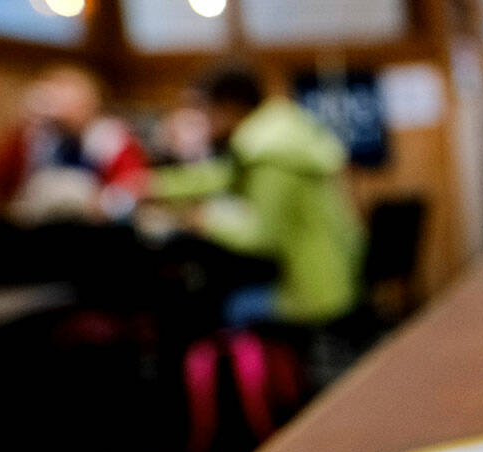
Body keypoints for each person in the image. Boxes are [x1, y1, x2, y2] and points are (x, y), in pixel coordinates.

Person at [152, 68, 365, 327]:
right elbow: (223, 176)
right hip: (337, 275)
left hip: (316, 289)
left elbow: (263, 237)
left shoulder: (271, 157)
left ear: (228, 108)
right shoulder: (279, 135)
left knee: (226, 306)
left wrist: (204, 219)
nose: (204, 122)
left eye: (207, 112)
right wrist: (155, 185)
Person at [0, 65, 148, 225]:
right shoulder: (33, 136)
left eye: (66, 96)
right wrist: (21, 126)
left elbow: (134, 186)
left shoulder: (111, 138)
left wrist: (103, 204)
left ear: (90, 102)